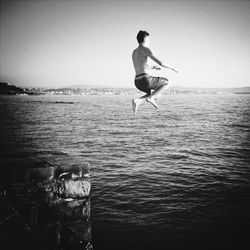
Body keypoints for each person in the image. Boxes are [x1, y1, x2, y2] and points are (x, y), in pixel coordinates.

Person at [132, 30, 178, 114]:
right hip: (146, 80)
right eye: (149, 40)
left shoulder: (134, 52)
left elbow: (142, 66)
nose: (149, 42)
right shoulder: (146, 50)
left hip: (137, 82)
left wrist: (153, 67)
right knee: (167, 83)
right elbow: (161, 63)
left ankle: (138, 101)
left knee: (155, 94)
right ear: (145, 40)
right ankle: (151, 98)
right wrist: (172, 67)